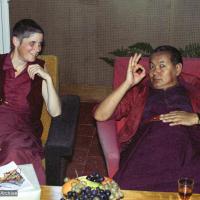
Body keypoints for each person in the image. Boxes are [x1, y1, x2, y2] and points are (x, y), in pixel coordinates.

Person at [94, 45, 200, 192]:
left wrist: (196, 118)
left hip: (187, 144)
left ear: (177, 69)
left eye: (162, 66)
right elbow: (100, 114)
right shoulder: (140, 91)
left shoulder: (194, 89)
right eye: (152, 67)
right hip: (147, 145)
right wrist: (127, 84)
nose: (155, 72)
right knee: (128, 187)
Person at [0, 19, 61, 184]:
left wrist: (47, 79)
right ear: (15, 41)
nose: (37, 49)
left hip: (21, 132)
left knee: (15, 151)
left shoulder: (39, 69)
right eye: (32, 43)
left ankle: (9, 192)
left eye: (40, 44)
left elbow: (55, 112)